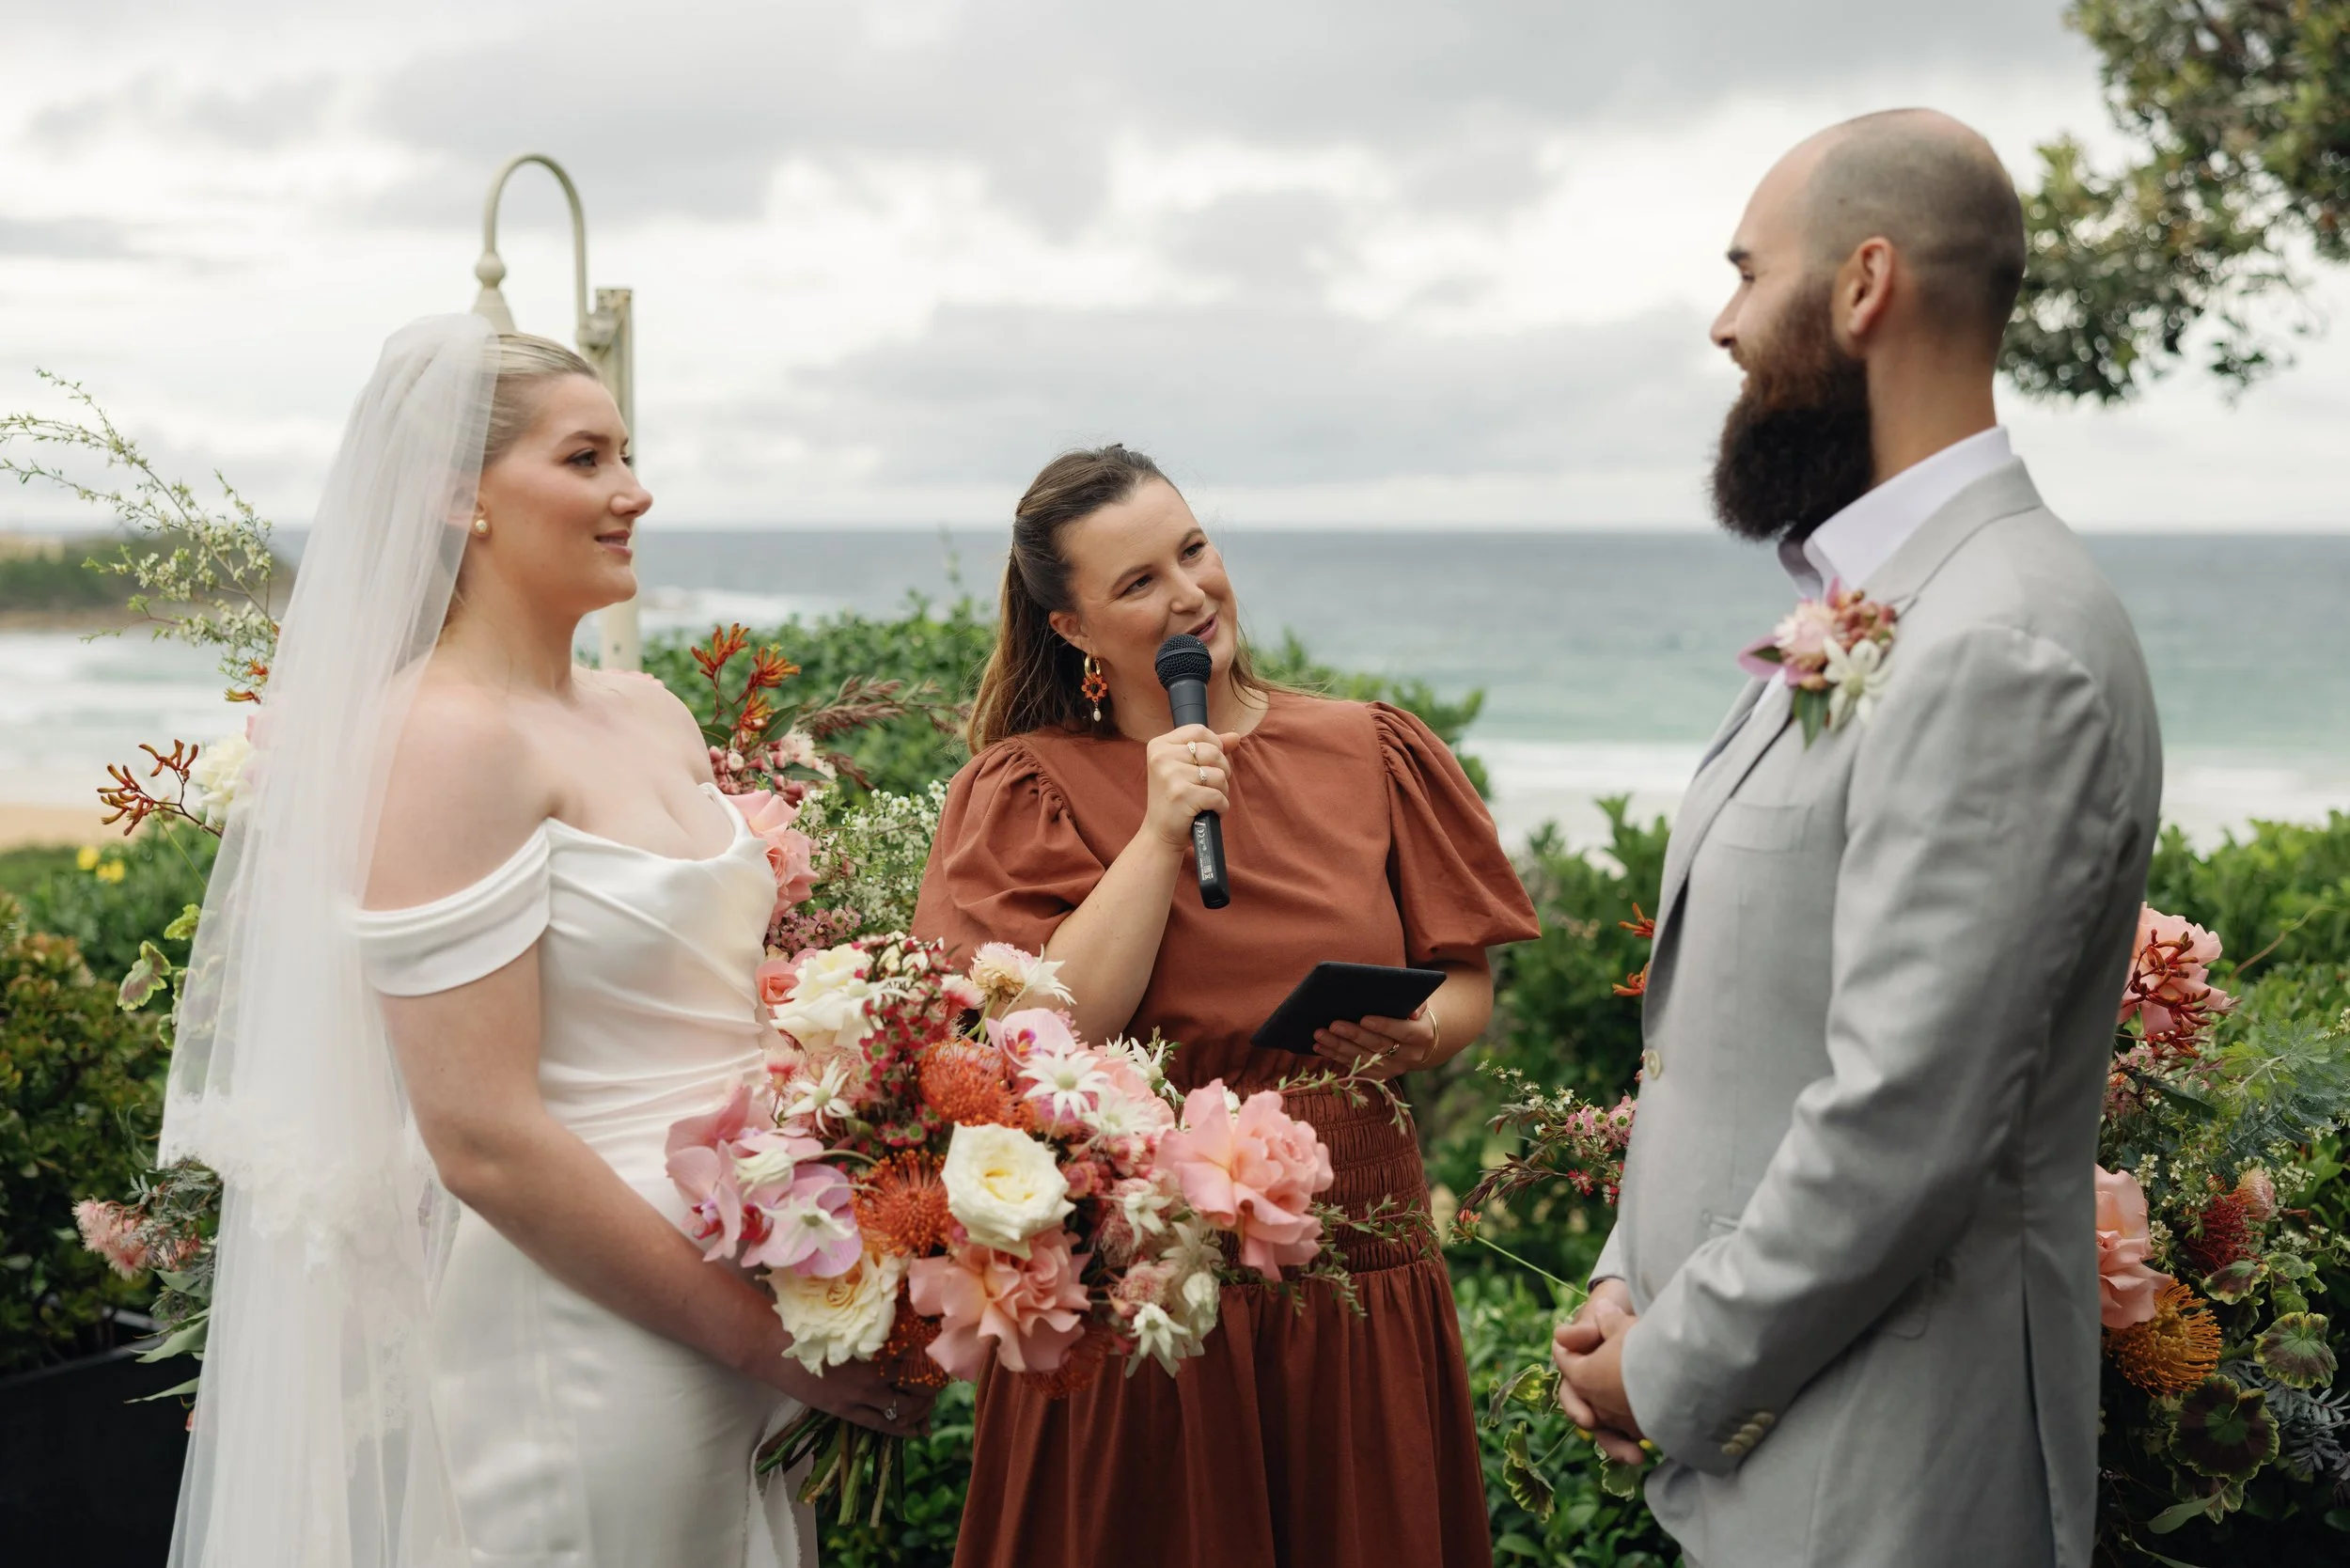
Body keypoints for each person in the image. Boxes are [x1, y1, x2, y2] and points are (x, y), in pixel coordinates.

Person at [160, 317, 927, 1568]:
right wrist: (744, 1335)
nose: (635, 490)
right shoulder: (446, 742)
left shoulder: (650, 711)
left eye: (626, 453)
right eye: (585, 459)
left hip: (761, 1273)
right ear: (460, 498)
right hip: (598, 1327)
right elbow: (482, 1139)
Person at [1554, 111, 2163, 1568]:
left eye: (1747, 272)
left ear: (1863, 285)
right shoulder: (1892, 602)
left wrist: (1666, 1365)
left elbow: (1907, 1118)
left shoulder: (2002, 639)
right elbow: (1740, 1033)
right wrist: (1624, 1287)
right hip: (1782, 1455)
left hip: (1888, 1483)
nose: (1723, 322)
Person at [912, 445, 1539, 1568]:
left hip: (1357, 1266)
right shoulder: (1027, 787)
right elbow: (1052, 1034)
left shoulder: (1371, 750)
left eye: (1191, 550)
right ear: (1074, 632)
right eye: (1138, 583)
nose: (1190, 594)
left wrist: (1415, 1035)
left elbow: (1465, 983)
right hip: (1154, 1282)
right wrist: (1157, 831)